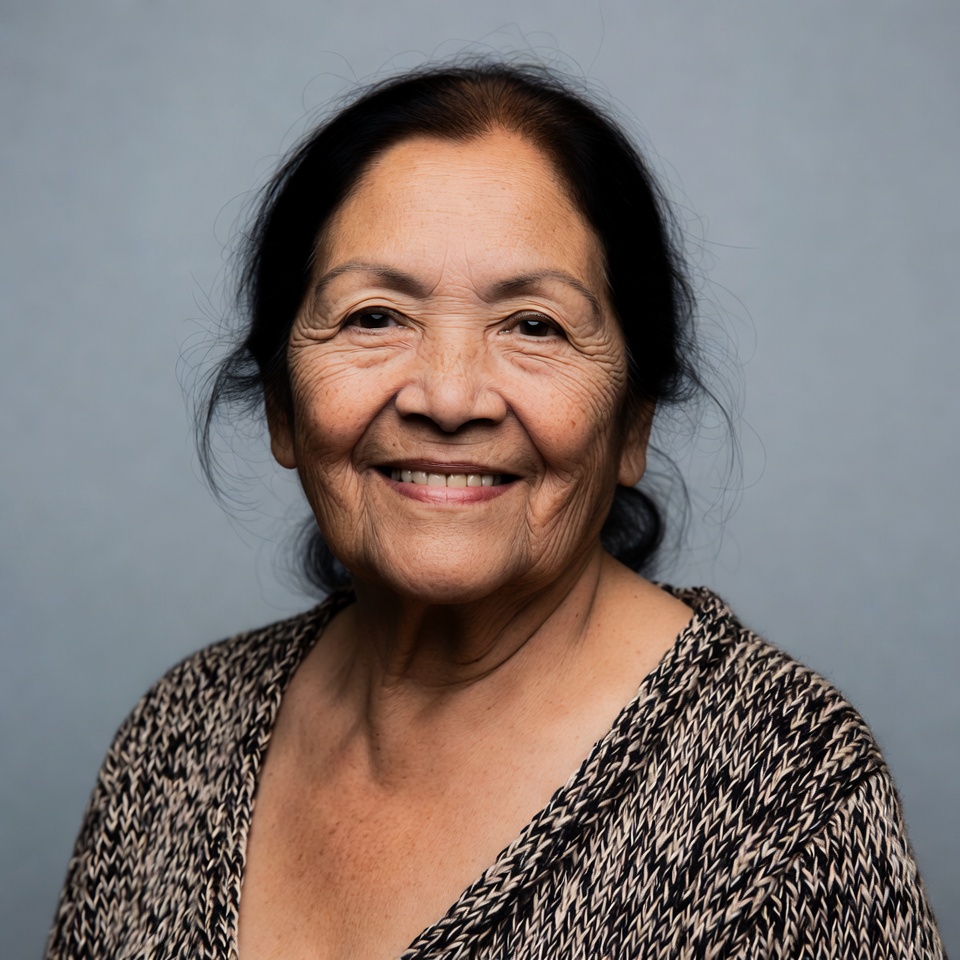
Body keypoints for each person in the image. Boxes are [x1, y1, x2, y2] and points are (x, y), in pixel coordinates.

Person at [46, 61, 945, 959]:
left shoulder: (784, 802)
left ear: (632, 421)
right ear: (284, 407)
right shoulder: (177, 740)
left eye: (534, 325)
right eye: (374, 317)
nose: (447, 395)